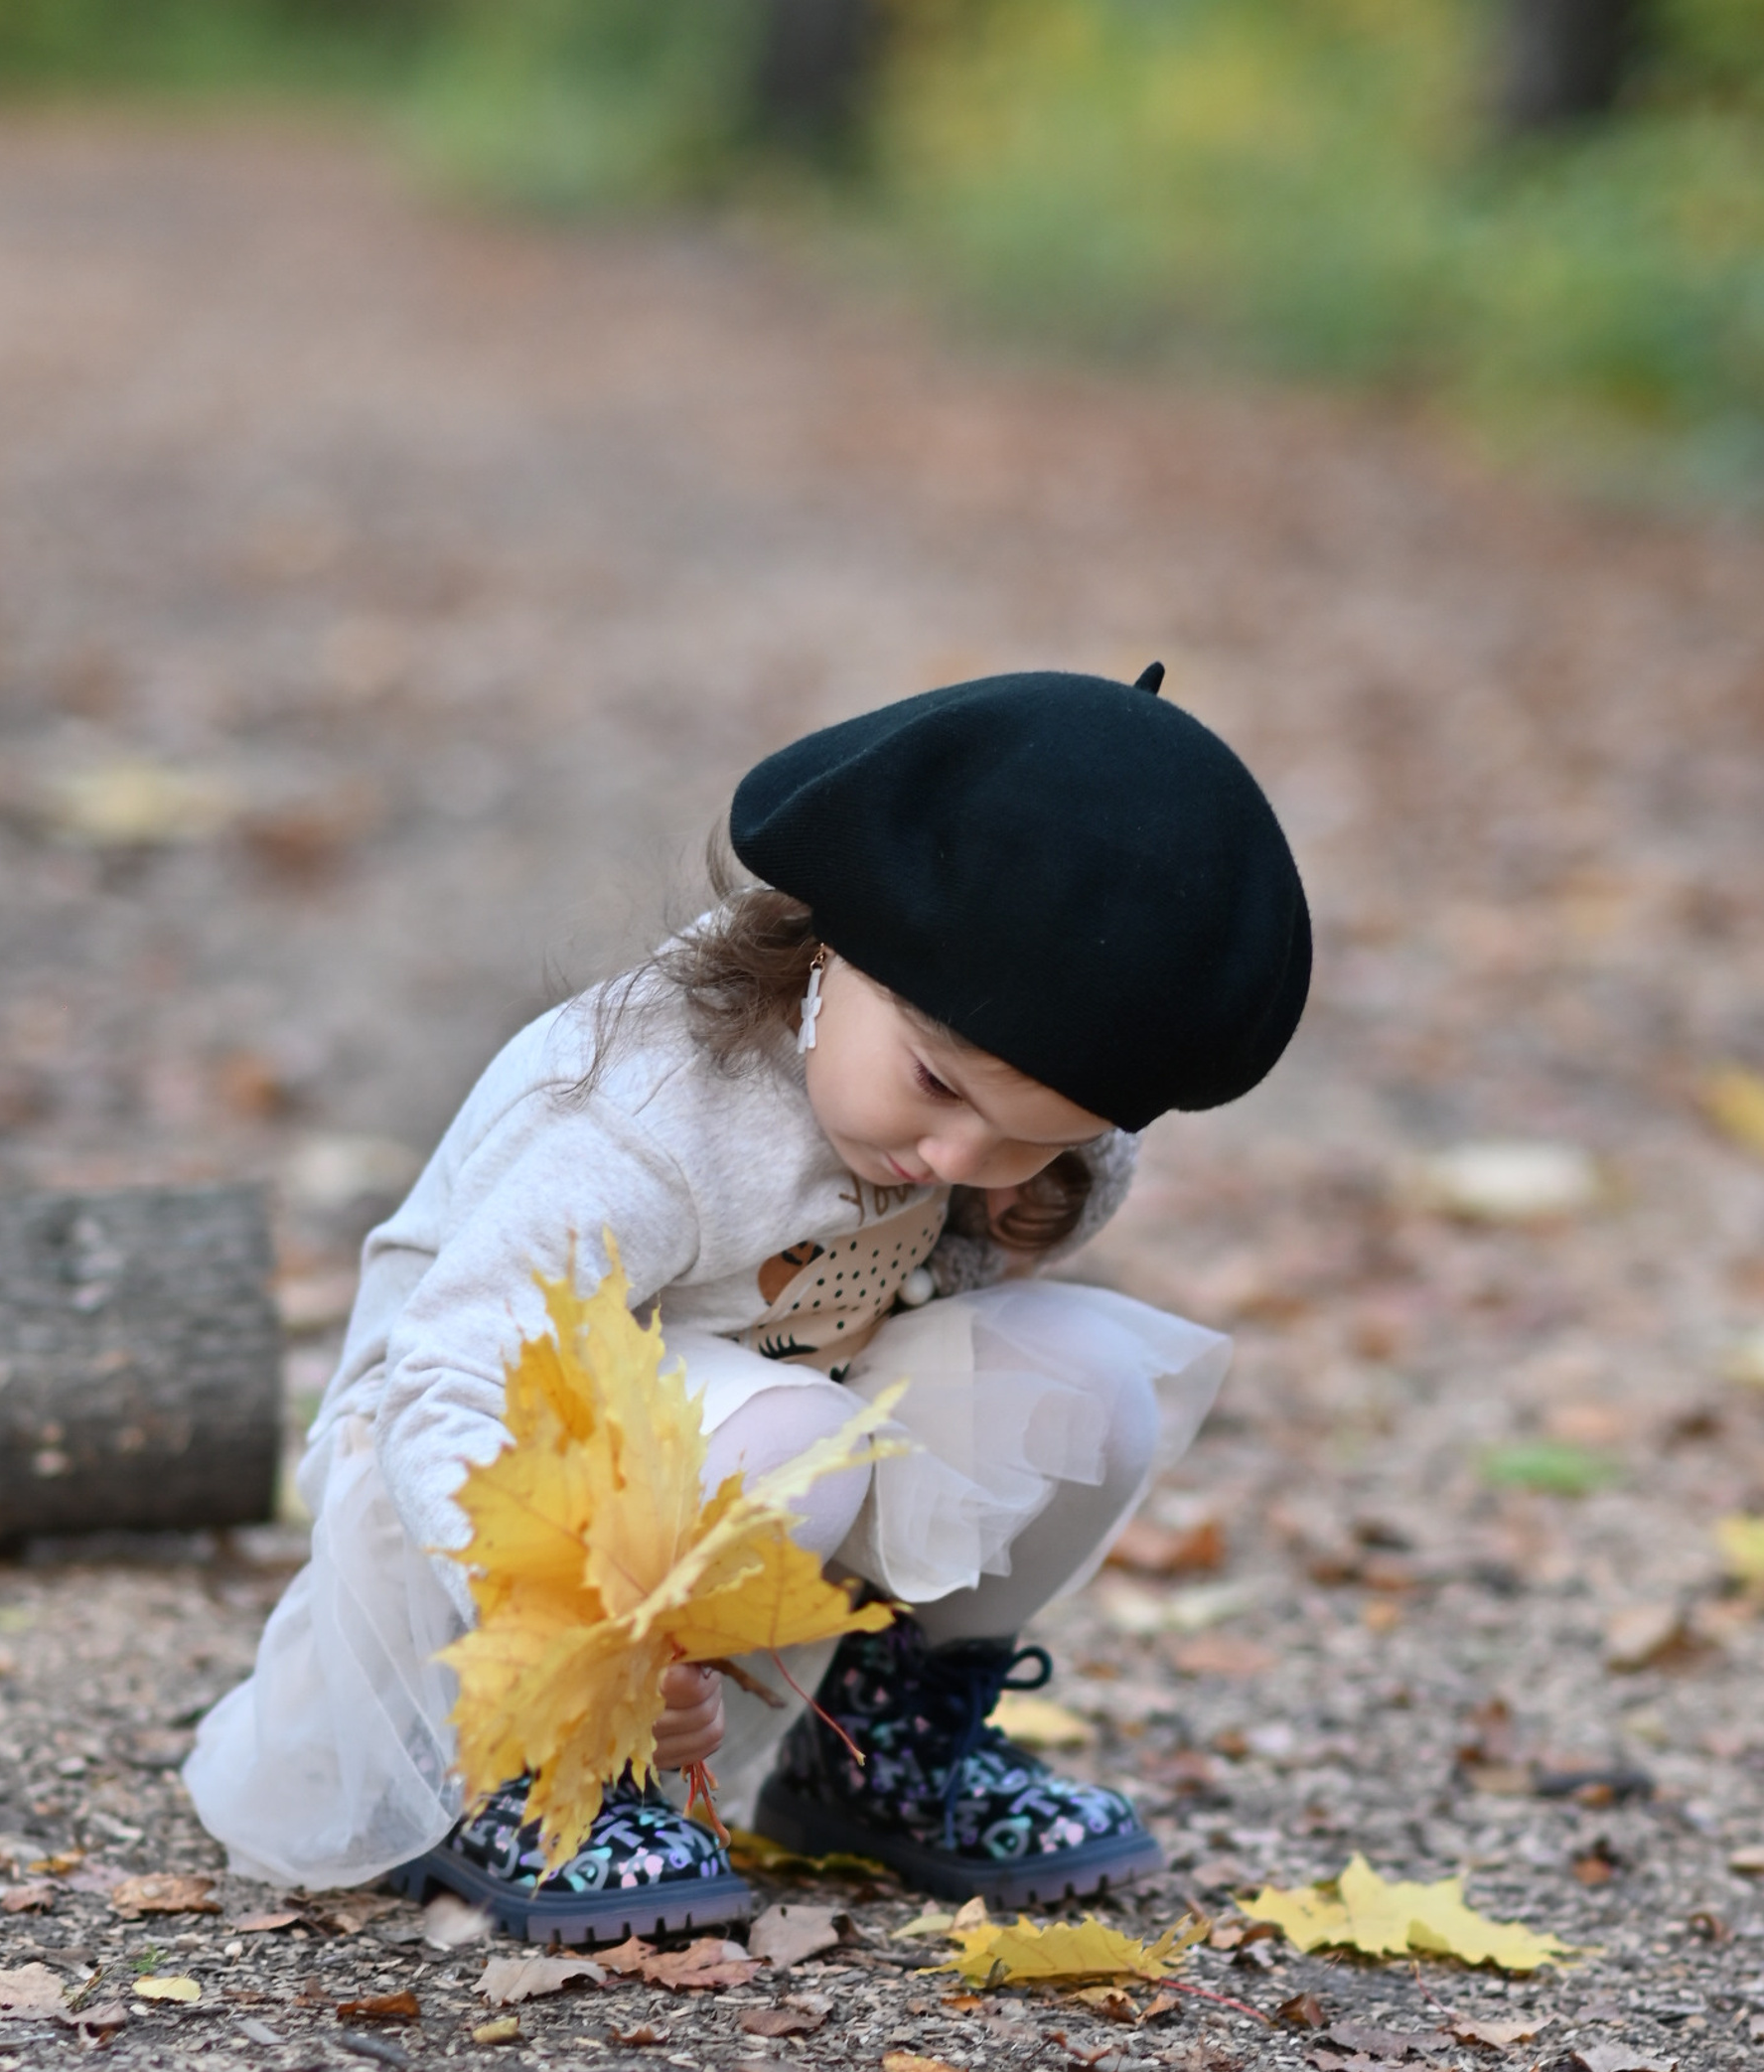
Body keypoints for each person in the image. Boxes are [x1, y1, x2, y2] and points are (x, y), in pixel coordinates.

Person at [185, 666, 1310, 1947]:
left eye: (1025, 1139)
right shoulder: (645, 1110)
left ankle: (882, 1751)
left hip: (760, 1478)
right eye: (935, 1085)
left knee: (1082, 1383)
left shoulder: (1016, 1133)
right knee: (791, 1436)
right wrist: (562, 1642)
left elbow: (986, 1238)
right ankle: (539, 1776)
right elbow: (457, 1377)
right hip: (476, 1521)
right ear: (833, 947)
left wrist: (1024, 1183)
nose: (953, 1162)